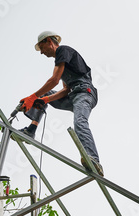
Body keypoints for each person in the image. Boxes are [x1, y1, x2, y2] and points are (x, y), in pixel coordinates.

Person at [18, 31, 104, 176]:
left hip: (84, 93)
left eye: (41, 47)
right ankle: (31, 130)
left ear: (48, 41)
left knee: (80, 122)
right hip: (72, 95)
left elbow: (54, 81)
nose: (41, 53)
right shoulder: (62, 62)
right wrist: (44, 100)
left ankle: (94, 160)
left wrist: (32, 97)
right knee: (44, 94)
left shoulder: (63, 51)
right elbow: (65, 90)